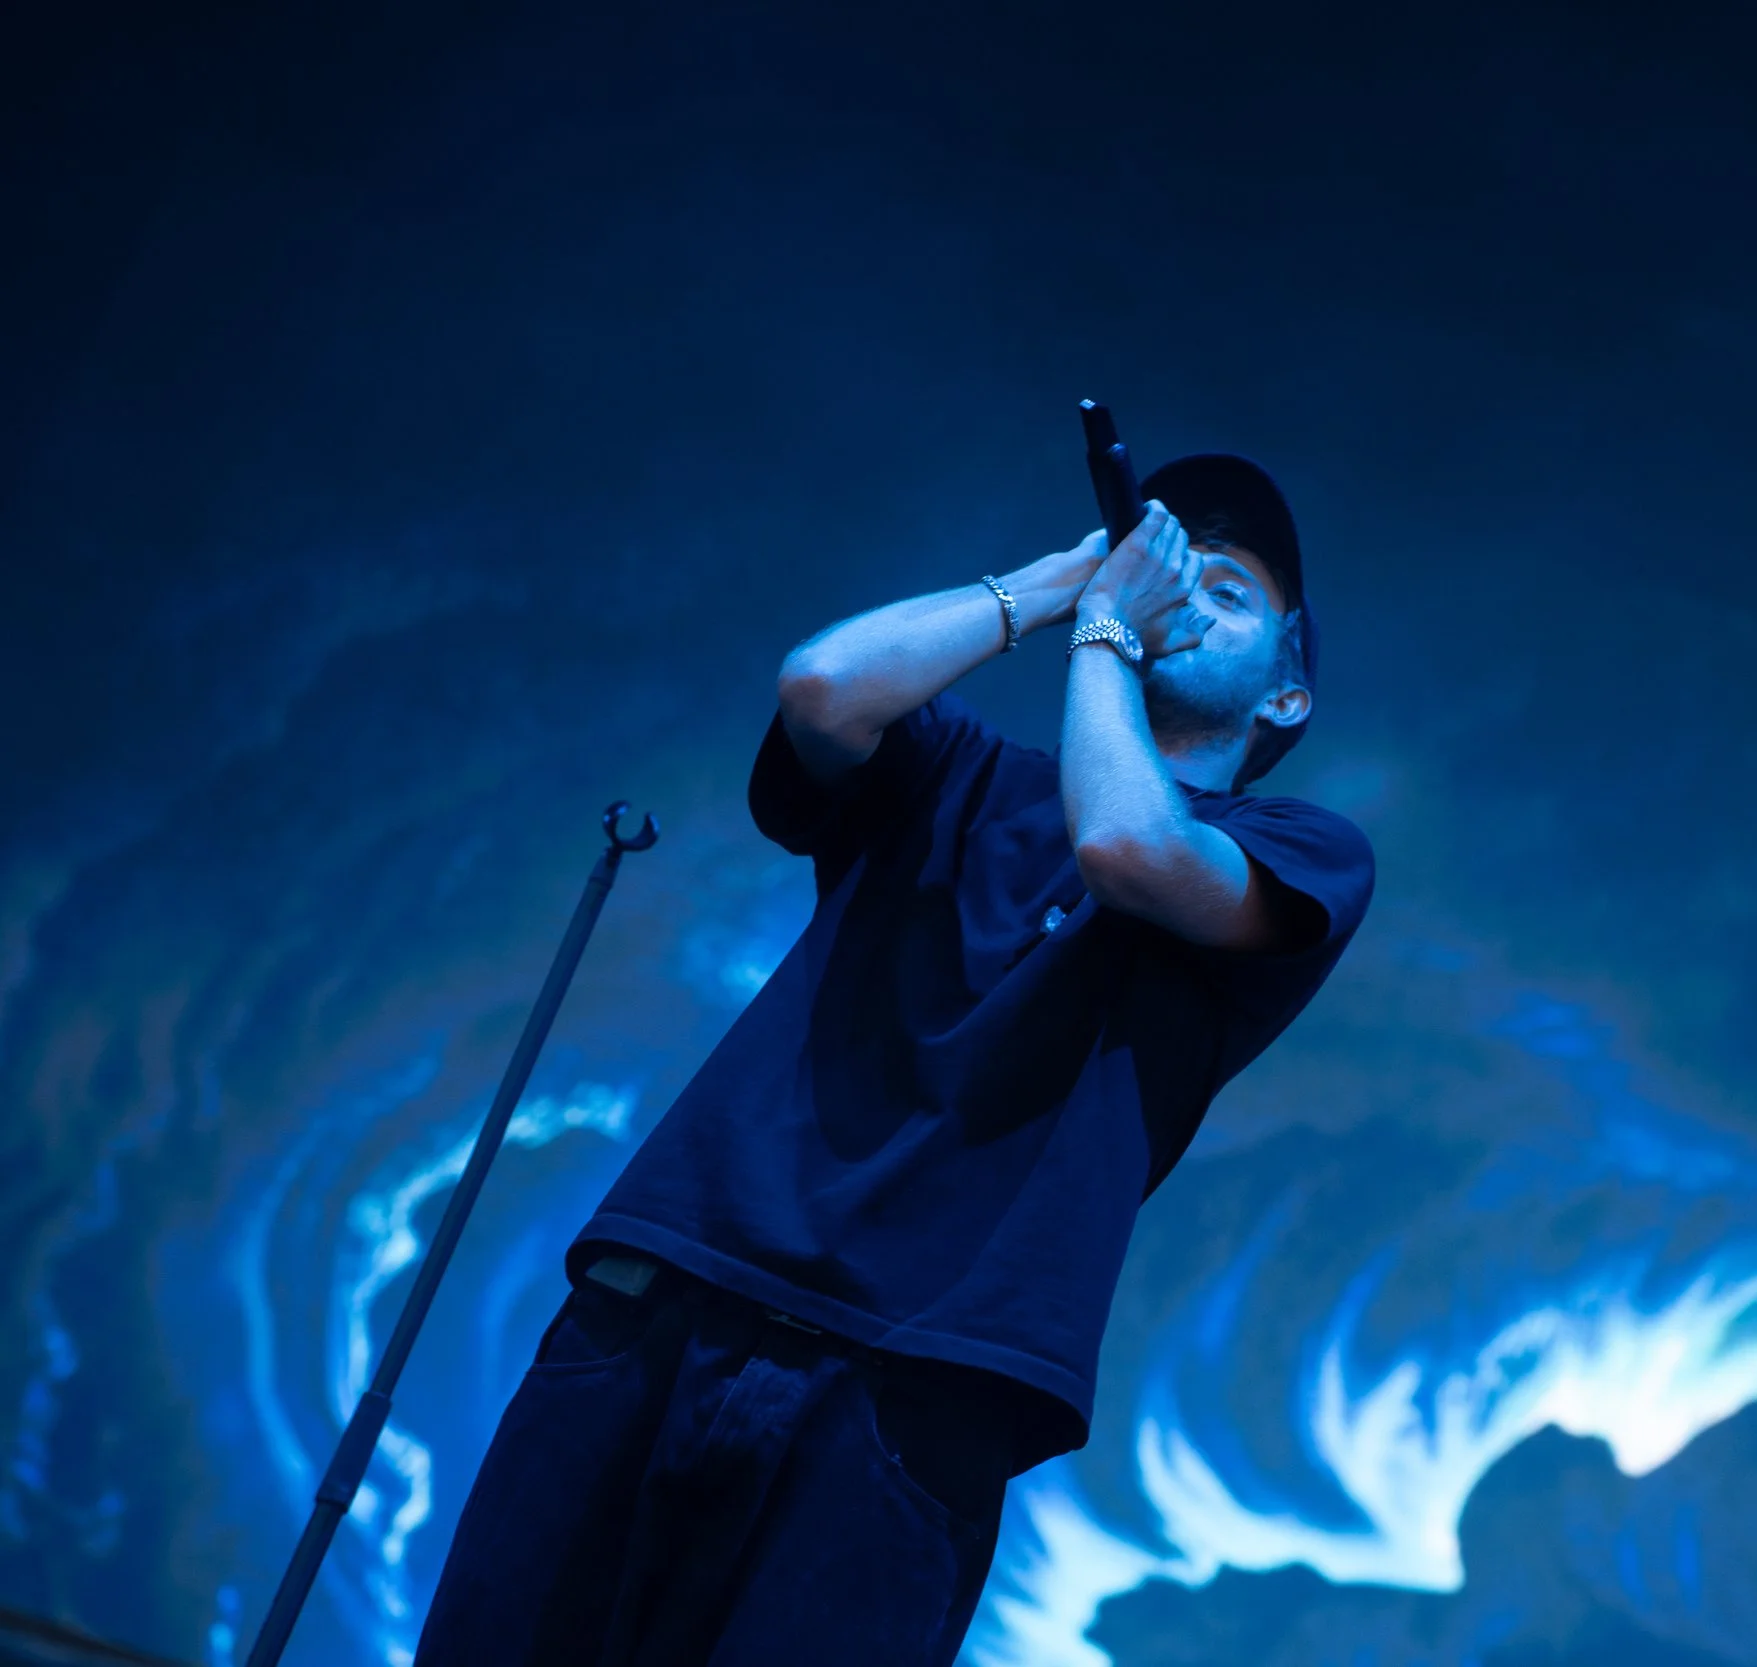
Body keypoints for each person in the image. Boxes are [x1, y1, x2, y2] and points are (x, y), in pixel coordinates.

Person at [412, 453, 1375, 1666]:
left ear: (1286, 691)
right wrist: (1064, 582)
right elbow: (822, 688)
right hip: (670, 1296)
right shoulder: (964, 771)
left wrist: (1106, 636)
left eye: (1226, 591)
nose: (1185, 592)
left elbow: (1127, 848)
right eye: (1170, 567)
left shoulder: (1301, 850)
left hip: (919, 1388)